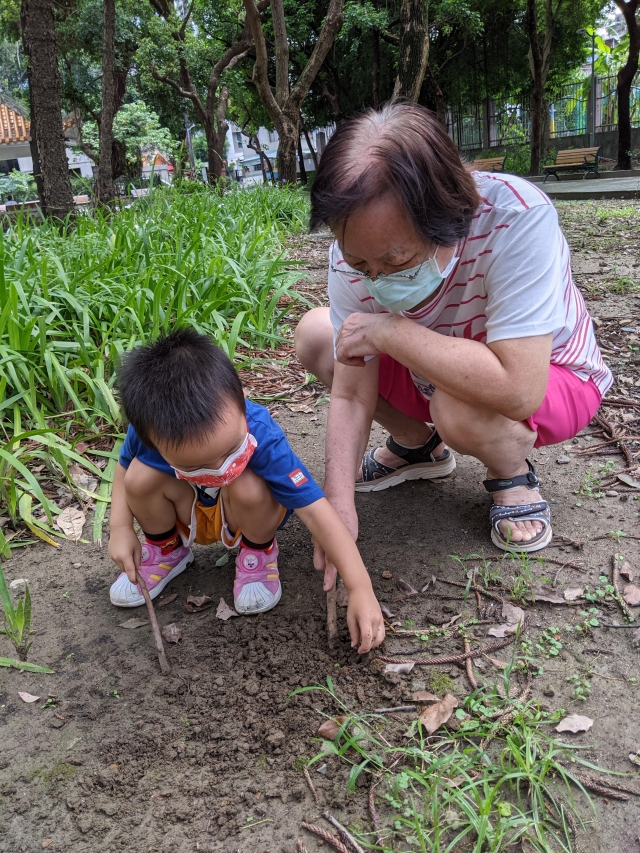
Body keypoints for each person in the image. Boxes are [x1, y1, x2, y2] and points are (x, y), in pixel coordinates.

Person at [295, 103, 612, 578]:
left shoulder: (515, 216)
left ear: (446, 216)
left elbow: (519, 387)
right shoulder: (355, 249)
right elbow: (351, 385)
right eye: (362, 265)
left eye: (396, 260)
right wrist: (336, 502)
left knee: (458, 405)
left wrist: (390, 330)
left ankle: (512, 473)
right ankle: (418, 447)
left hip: (550, 376)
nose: (375, 277)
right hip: (431, 372)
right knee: (318, 336)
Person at [107, 329, 384, 653]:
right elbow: (124, 467)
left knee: (248, 484)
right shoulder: (150, 428)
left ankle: (258, 551)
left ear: (240, 401)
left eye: (230, 450)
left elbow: (316, 509)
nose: (219, 467)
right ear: (153, 439)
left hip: (245, 512)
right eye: (199, 464)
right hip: (188, 509)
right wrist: (120, 528)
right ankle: (167, 550)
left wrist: (360, 587)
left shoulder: (262, 433)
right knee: (139, 478)